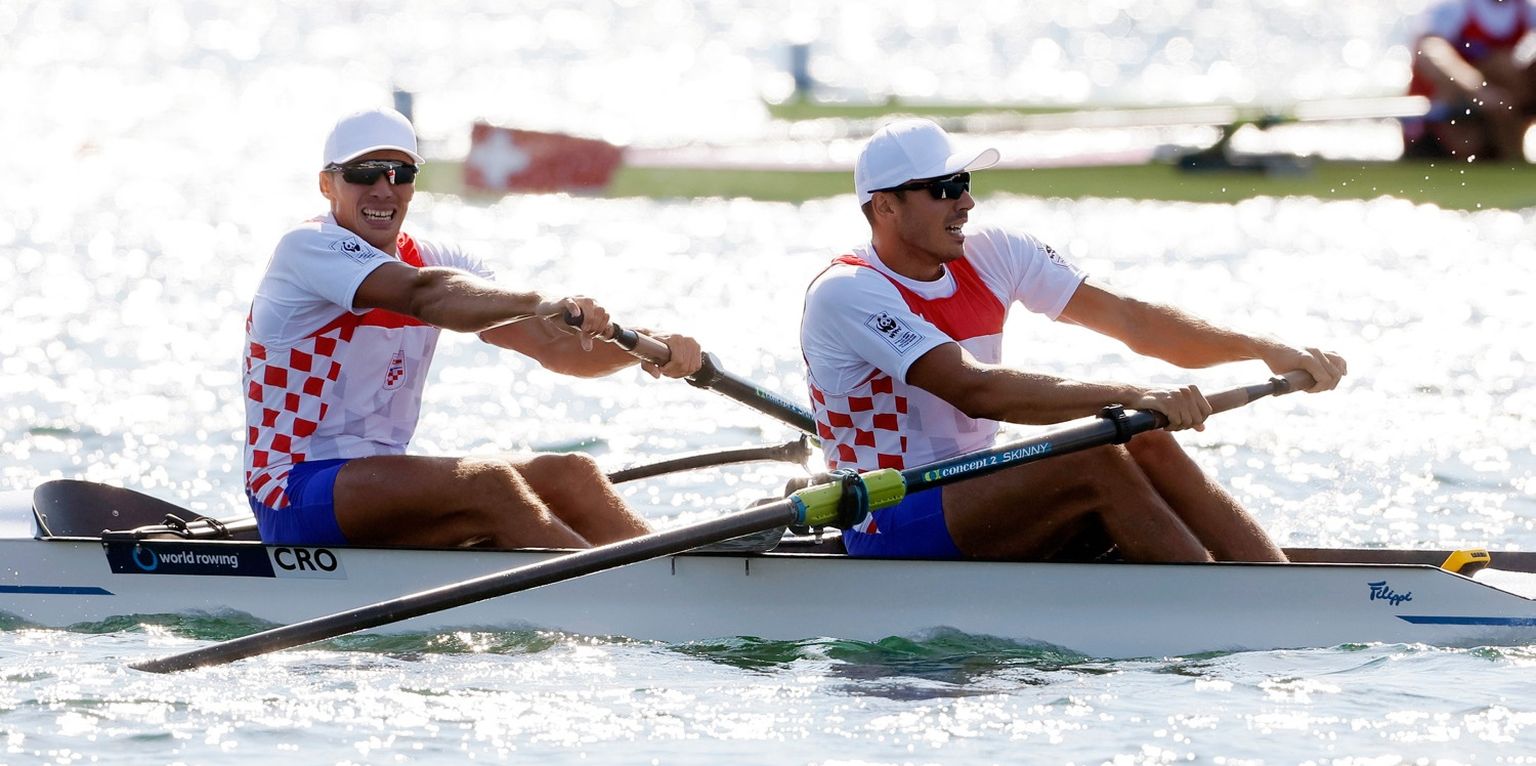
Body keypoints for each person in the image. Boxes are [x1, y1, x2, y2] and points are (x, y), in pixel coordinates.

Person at [800, 118, 1348, 563]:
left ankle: (1271, 582)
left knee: (1146, 436)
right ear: (885, 205)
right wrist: (1131, 394)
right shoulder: (847, 291)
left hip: (974, 488)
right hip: (889, 513)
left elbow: (1134, 321)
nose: (965, 203)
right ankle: (1224, 606)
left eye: (965, 183)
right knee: (1096, 456)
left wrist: (1264, 348)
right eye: (944, 189)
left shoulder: (994, 253)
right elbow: (973, 389)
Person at [243, 107, 702, 549]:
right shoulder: (308, 248)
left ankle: (672, 577)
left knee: (572, 473)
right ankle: (615, 590)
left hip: (375, 482)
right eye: (364, 173)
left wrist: (649, 346)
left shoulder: (439, 258)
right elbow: (425, 295)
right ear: (327, 184)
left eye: (400, 174)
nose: (384, 189)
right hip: (292, 487)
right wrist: (537, 302)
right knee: (488, 482)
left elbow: (558, 349)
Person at [1402, 0, 1536, 161]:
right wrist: (1478, 89)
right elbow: (1429, 52)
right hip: (1439, 123)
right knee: (1502, 69)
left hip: (1495, 119)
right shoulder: (1452, 6)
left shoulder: (1527, 10)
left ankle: (1510, 155)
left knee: (1508, 69)